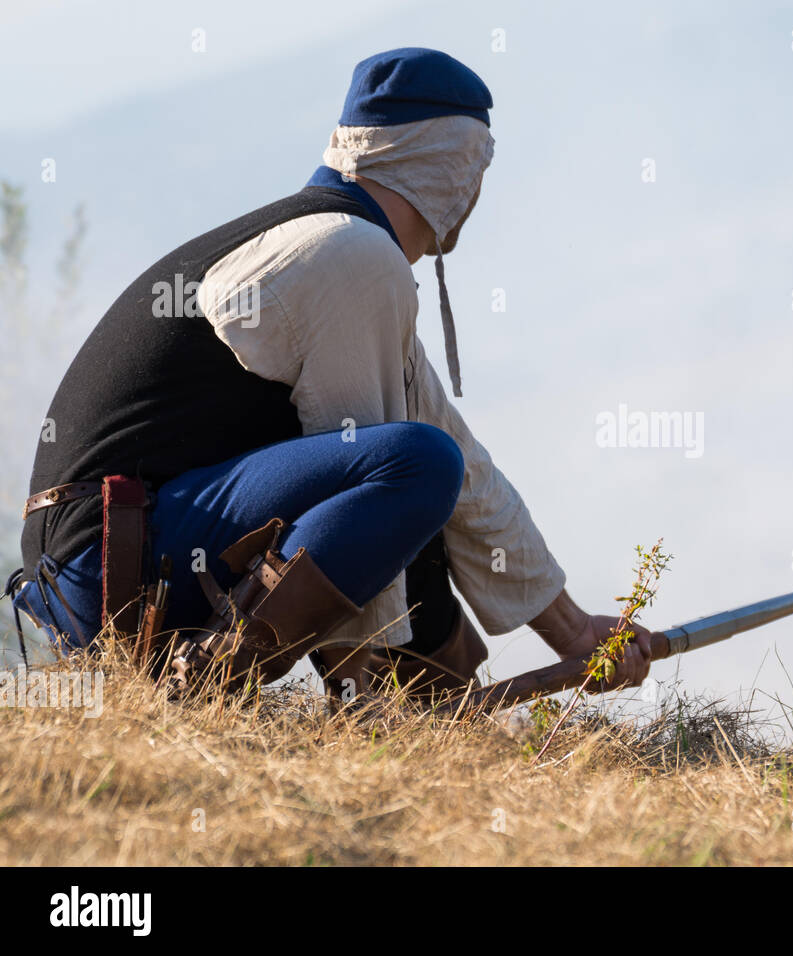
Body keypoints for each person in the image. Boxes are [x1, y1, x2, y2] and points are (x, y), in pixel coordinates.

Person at [5, 47, 654, 704]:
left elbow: (464, 471)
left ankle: (411, 710)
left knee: (427, 467)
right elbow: (392, 477)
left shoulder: (335, 246)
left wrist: (575, 634)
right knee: (412, 465)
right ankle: (212, 681)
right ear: (457, 169)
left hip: (107, 570)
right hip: (114, 571)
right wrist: (360, 689)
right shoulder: (351, 255)